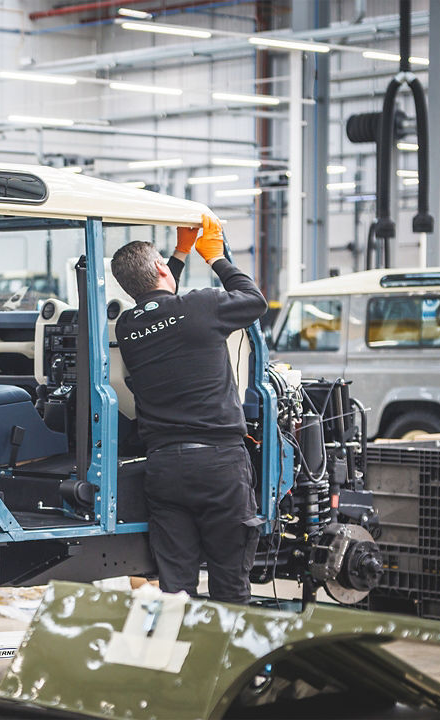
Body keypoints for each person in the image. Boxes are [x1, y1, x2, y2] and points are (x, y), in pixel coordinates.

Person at [110, 215, 268, 604]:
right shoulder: (204, 305)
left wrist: (179, 253)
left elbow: (158, 305)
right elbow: (254, 301)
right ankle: (227, 663)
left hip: (165, 469)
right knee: (230, 585)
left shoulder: (128, 328)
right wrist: (216, 258)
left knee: (176, 590)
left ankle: (180, 661)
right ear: (161, 268)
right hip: (219, 466)